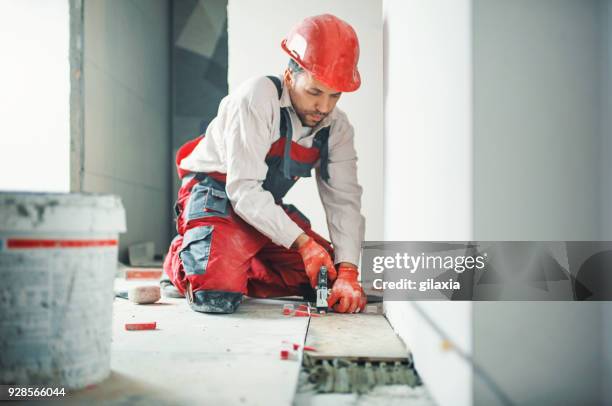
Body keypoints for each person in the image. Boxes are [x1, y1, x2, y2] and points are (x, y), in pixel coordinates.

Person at [162, 14, 367, 314]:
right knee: (216, 294)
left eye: (334, 95)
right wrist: (301, 243)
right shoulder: (257, 98)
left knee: (324, 279)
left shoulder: (337, 128)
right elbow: (243, 189)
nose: (324, 107)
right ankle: (184, 259)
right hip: (214, 194)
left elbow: (344, 201)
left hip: (260, 207)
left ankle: (236, 256)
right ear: (289, 77)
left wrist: (348, 270)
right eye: (314, 92)